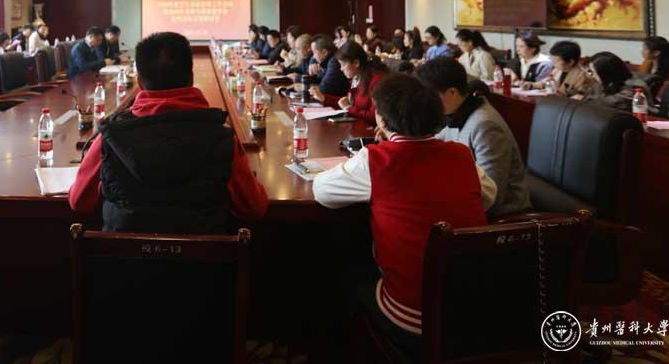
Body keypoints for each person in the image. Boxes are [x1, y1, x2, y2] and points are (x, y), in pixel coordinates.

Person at [312, 74, 496, 343]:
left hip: (411, 316)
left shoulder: (376, 159)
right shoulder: (460, 153)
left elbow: (321, 191)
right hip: (470, 307)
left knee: (343, 267)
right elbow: (488, 195)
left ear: (383, 121)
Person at [69, 31, 269, 232]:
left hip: (123, 251)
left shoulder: (110, 136)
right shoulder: (223, 138)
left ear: (140, 83)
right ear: (191, 78)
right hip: (203, 251)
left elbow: (79, 202)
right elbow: (255, 208)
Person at [415, 58, 532, 218]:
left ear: (452, 92)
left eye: (431, 97)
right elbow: (434, 143)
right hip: (471, 199)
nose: (427, 103)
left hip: (504, 216)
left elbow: (492, 196)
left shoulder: (485, 125)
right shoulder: (459, 111)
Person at [321, 42, 386, 121]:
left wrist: (349, 108)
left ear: (356, 63)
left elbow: (375, 117)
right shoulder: (357, 77)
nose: (341, 69)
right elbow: (346, 103)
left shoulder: (376, 80)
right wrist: (324, 98)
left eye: (343, 65)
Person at [584, 51, 652, 113]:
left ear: (606, 74)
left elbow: (614, 103)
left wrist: (591, 95)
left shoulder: (634, 87)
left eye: (593, 72)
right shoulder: (607, 82)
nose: (591, 75)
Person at [526, 40, 590, 97]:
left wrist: (558, 93)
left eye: (556, 61)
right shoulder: (557, 69)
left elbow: (579, 97)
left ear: (570, 62)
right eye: (552, 60)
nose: (553, 63)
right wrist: (531, 85)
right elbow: (547, 84)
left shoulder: (583, 76)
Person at [307, 35, 351, 101]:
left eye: (314, 52)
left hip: (340, 102)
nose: (313, 56)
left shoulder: (334, 61)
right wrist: (313, 74)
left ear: (324, 52)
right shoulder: (326, 60)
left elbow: (324, 88)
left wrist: (306, 86)